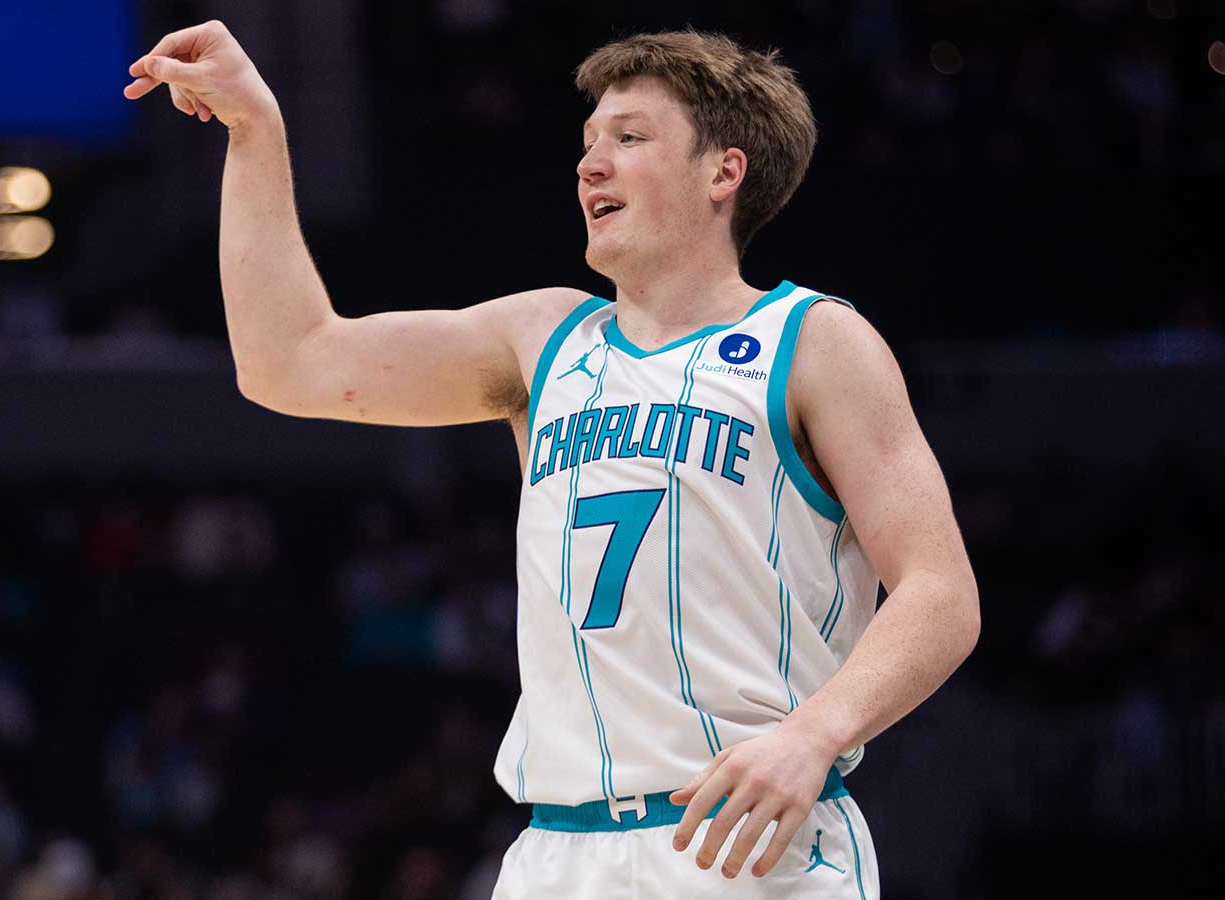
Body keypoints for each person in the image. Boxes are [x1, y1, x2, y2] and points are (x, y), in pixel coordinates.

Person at [124, 21, 980, 899]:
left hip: (751, 845)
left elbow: (941, 594)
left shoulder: (813, 342)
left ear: (723, 172)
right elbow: (287, 362)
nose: (590, 165)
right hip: (558, 854)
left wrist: (816, 735)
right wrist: (254, 129)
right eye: (587, 142)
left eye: (629, 138)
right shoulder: (542, 339)